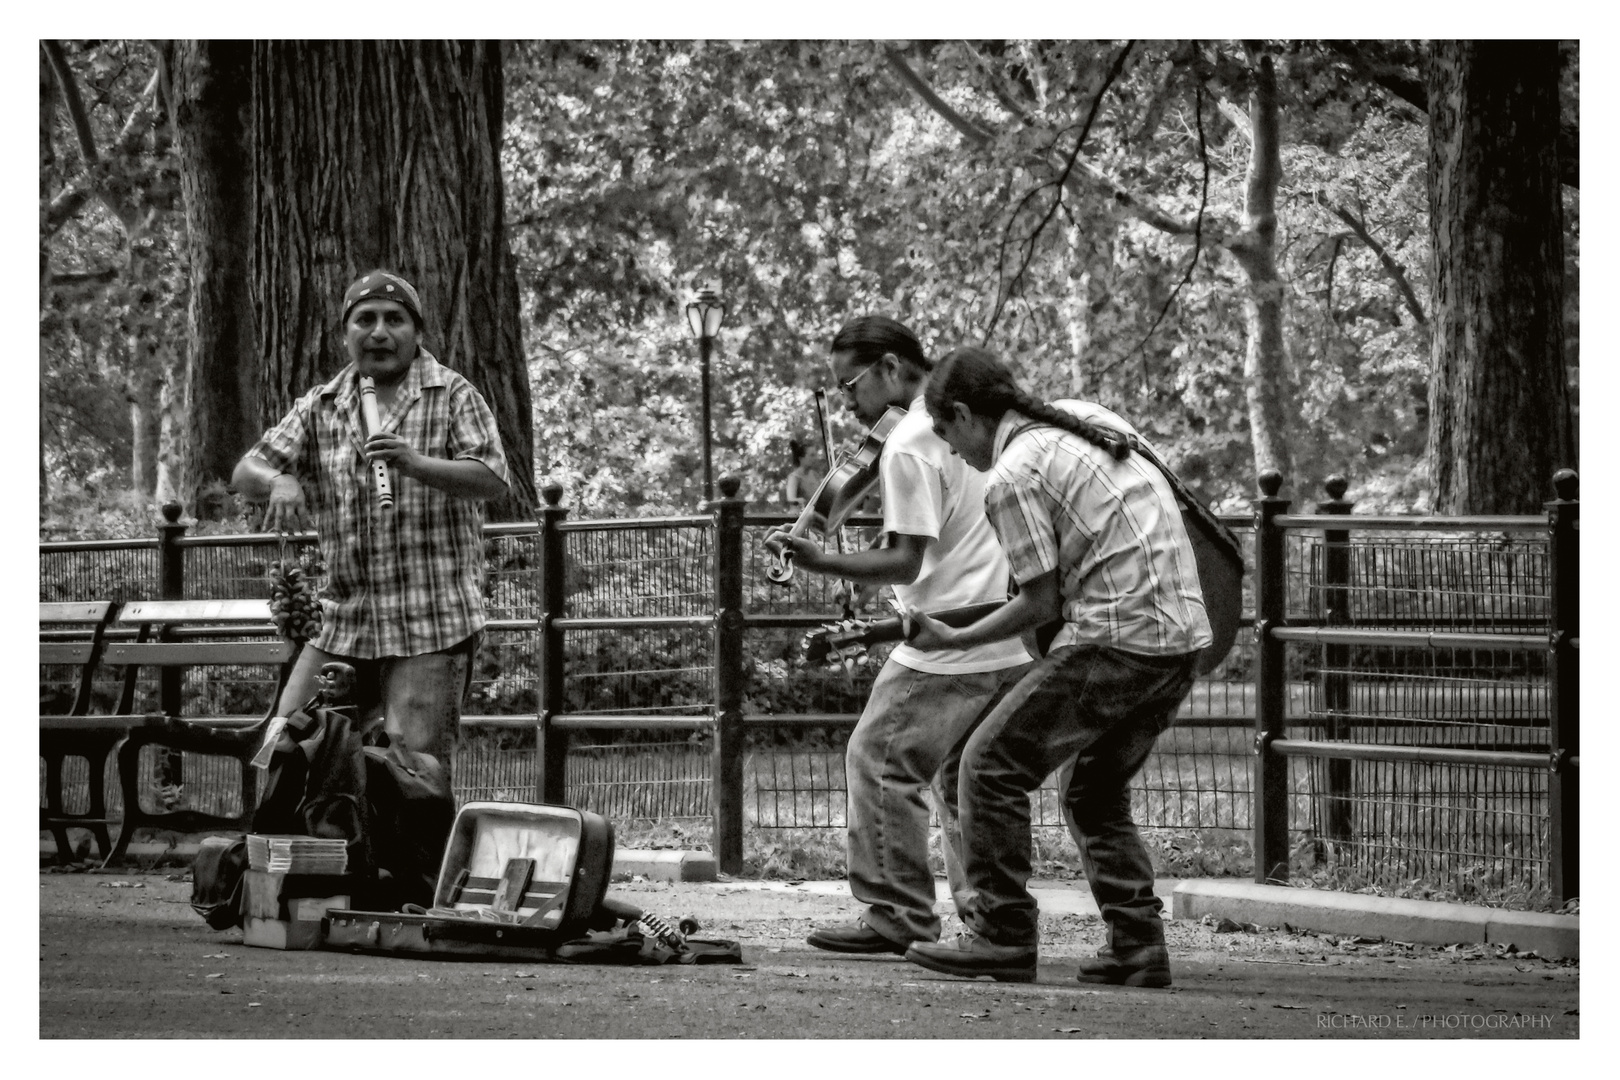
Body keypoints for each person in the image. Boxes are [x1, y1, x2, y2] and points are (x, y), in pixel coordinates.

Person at [902, 345, 1210, 987]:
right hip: (1181, 638)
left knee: (986, 765)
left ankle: (1002, 935)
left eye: (948, 437)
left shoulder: (1013, 474)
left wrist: (950, 640)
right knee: (1094, 794)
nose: (955, 454)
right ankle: (1138, 948)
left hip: (1116, 639)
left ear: (961, 414)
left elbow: (1036, 603)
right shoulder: (1086, 420)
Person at [766, 316, 1034, 956]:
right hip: (1007, 626)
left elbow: (905, 561)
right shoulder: (970, 421)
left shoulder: (912, 439)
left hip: (945, 637)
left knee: (878, 759)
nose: (847, 402)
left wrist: (819, 560)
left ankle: (897, 913)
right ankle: (990, 924)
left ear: (890, 368)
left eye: (849, 384)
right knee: (964, 778)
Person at [232, 270, 510, 780]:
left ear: (417, 332)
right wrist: (279, 481)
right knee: (286, 750)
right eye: (365, 319)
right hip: (345, 622)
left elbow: (492, 478)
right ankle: (319, 856)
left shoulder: (452, 393)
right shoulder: (321, 404)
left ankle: (411, 863)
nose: (379, 332)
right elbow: (245, 471)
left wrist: (413, 463)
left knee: (413, 772)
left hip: (431, 621)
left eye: (395, 319)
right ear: (346, 333)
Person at [783, 439, 820, 507]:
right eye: (812, 455)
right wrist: (799, 501)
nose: (815, 458)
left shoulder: (815, 475)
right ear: (801, 458)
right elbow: (791, 499)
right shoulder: (794, 477)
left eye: (815, 455)